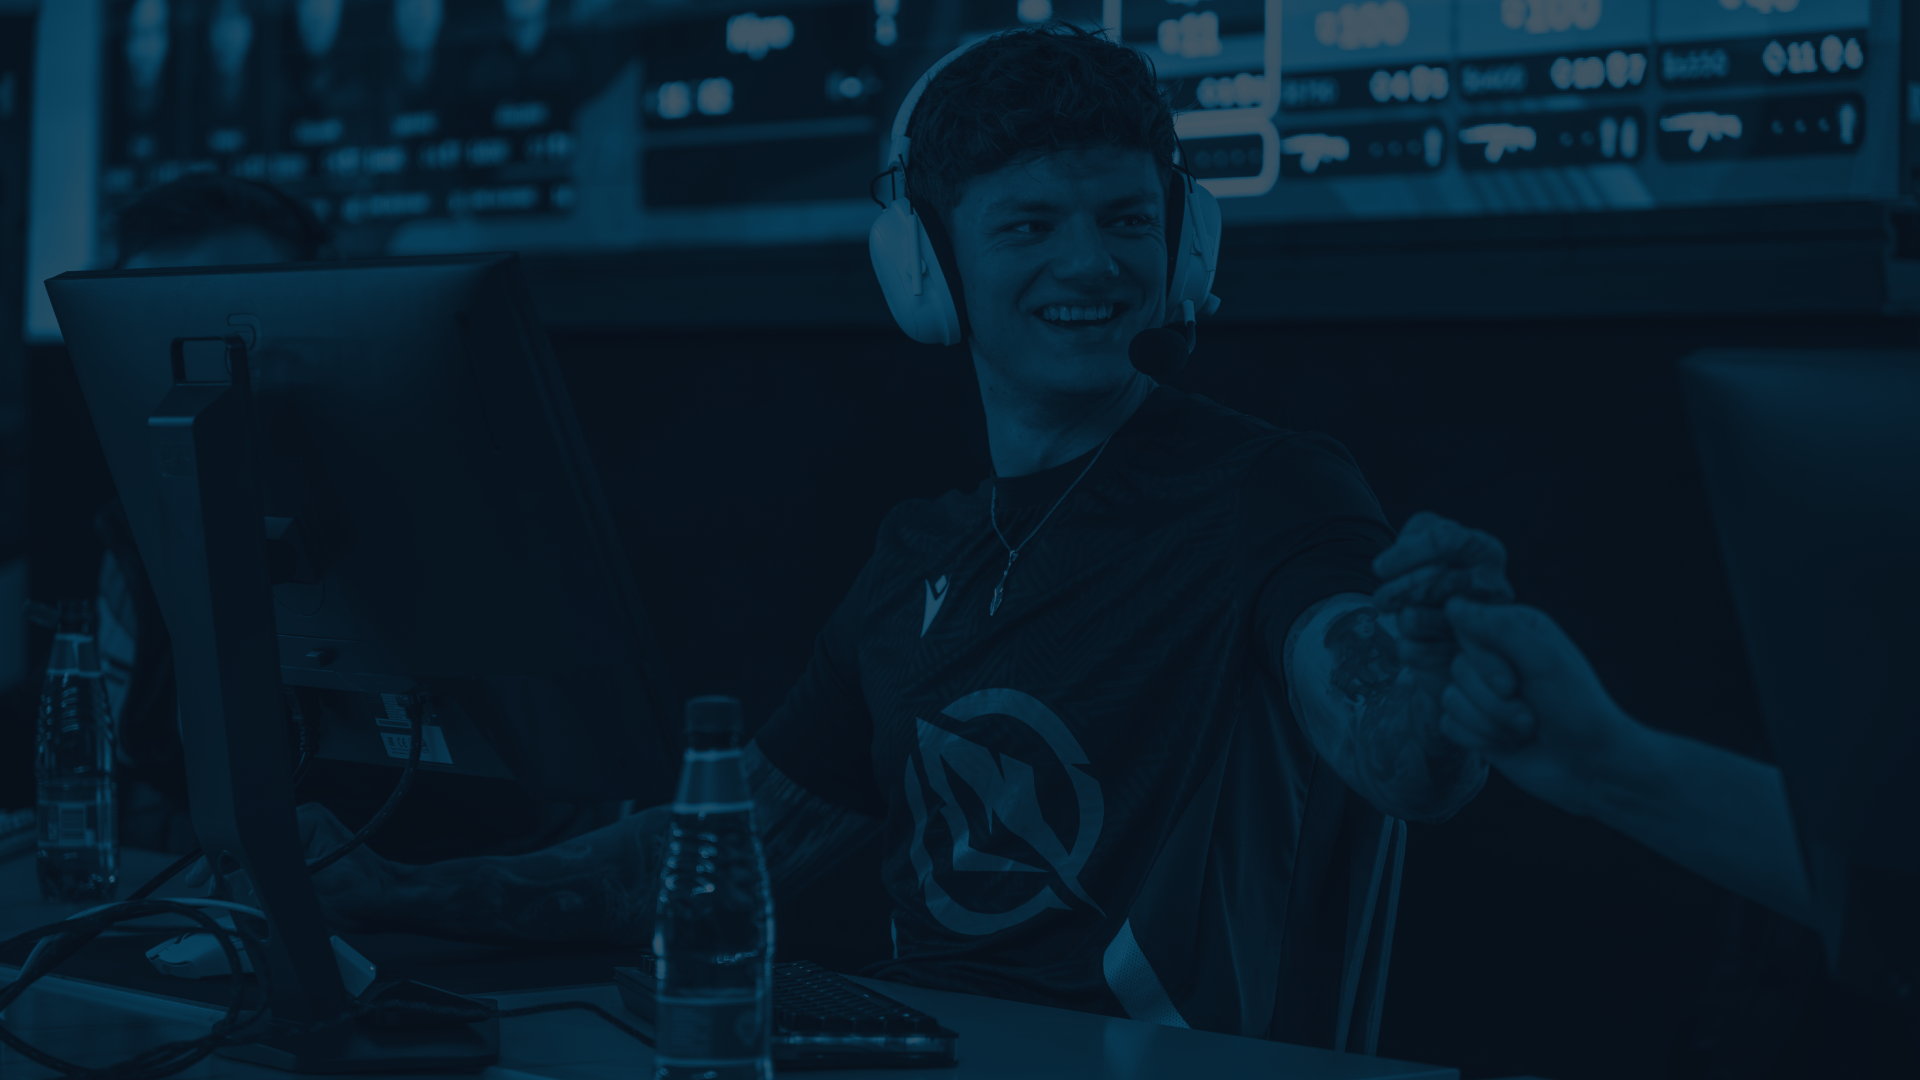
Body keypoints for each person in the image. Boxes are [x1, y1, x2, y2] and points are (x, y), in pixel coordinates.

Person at [277, 25, 1511, 1036]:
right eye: (1029, 225)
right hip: (920, 1042)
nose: (1093, 263)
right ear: (927, 266)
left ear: (1184, 246)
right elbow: (714, 861)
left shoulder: (1262, 490)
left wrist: (1431, 683)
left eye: (1129, 220)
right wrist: (389, 889)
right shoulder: (919, 555)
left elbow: (1391, 747)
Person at [101, 174, 616, 862]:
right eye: (161, 321)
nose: (216, 362)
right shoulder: (141, 533)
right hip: (233, 904)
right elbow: (124, 775)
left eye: (234, 317)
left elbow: (568, 793)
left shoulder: (467, 503)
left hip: (476, 892)